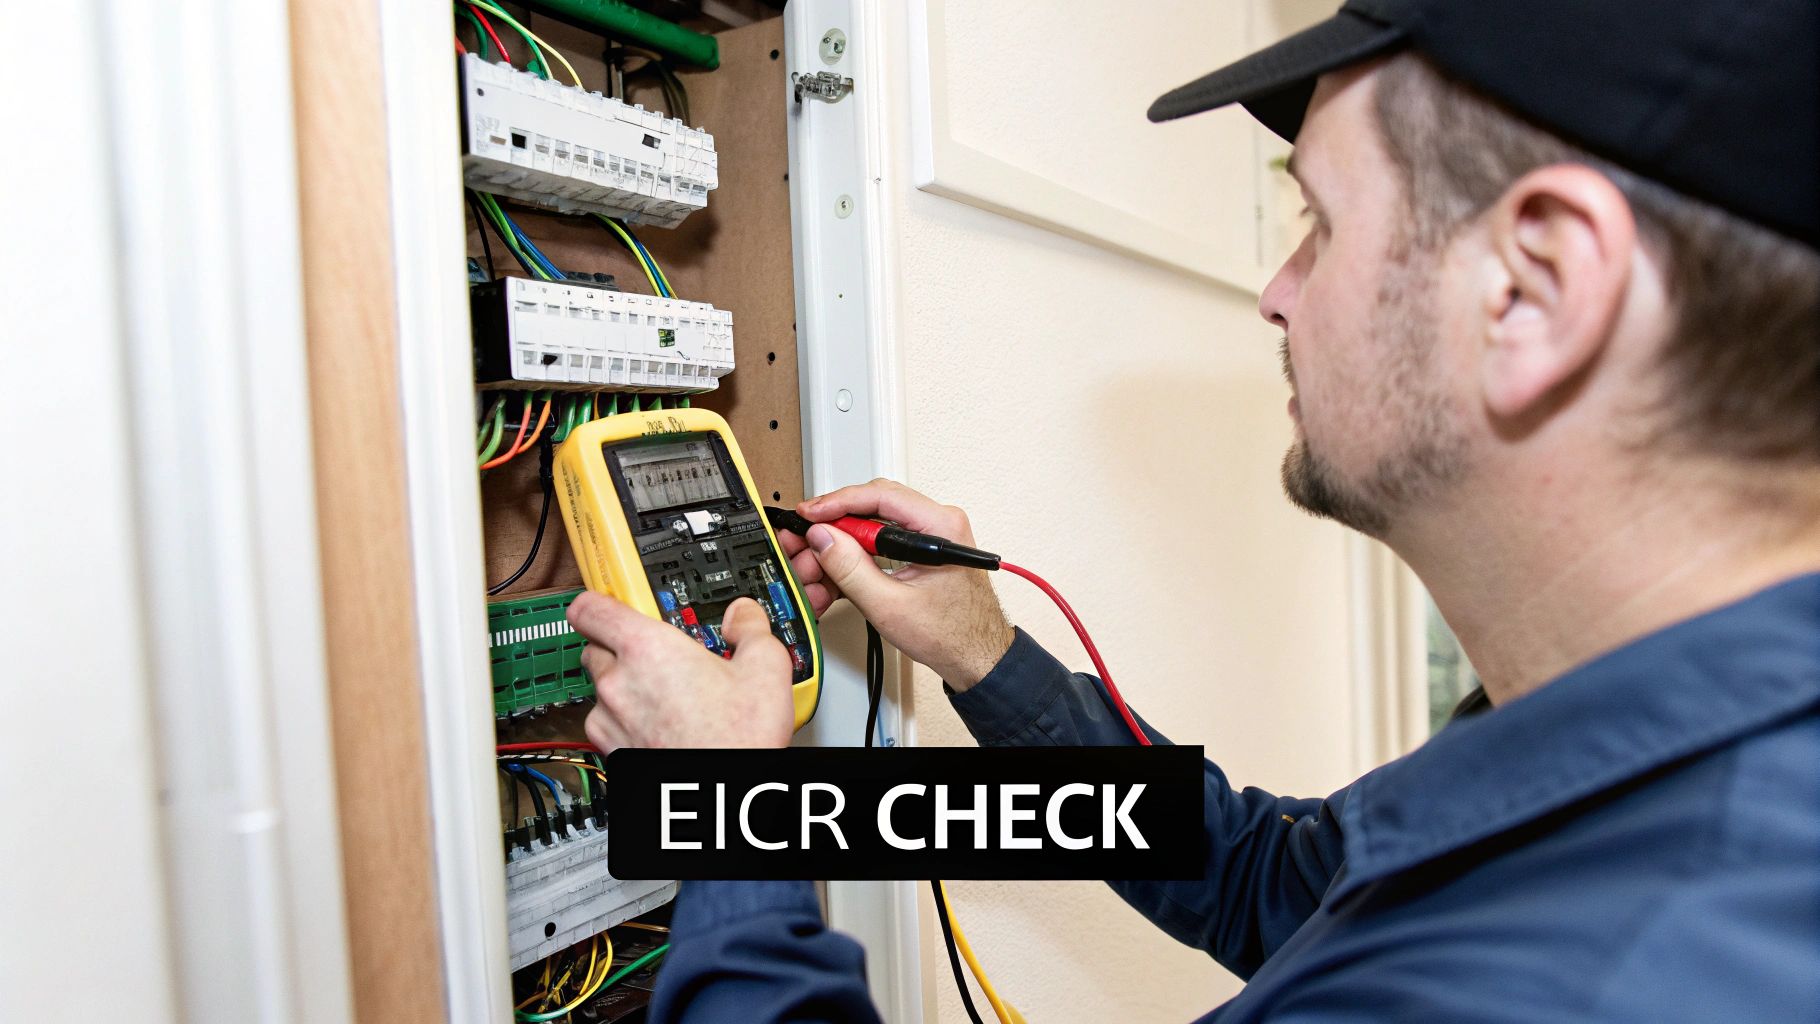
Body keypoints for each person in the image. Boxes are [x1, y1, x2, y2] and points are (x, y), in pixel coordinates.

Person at [565, 0, 1819, 1019]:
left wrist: (717, 816)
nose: (1276, 293)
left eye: (1319, 223)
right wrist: (989, 658)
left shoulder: (1606, 966)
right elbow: (1264, 882)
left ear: (1536, 289)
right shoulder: (1626, 754)